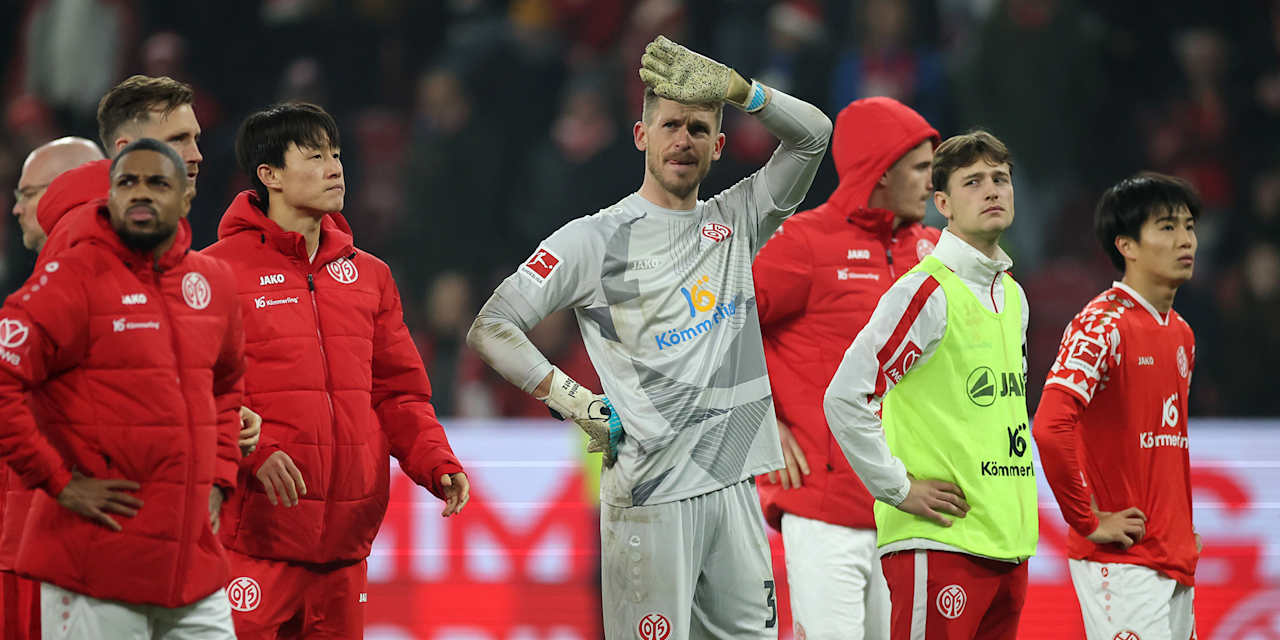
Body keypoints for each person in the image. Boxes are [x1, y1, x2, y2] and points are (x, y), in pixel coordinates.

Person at [468, 36, 832, 639]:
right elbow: (492, 326)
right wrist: (574, 401)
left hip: (736, 487)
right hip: (651, 497)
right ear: (642, 136)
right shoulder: (592, 240)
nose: (683, 140)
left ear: (718, 146)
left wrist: (740, 90)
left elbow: (814, 135)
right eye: (670, 126)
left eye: (698, 128)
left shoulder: (736, 220)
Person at [203, 102, 468, 638]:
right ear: (269, 175)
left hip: (346, 549)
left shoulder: (371, 276)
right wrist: (252, 450)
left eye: (337, 155)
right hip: (255, 539)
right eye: (316, 156)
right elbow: (196, 390)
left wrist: (434, 460)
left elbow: (399, 393)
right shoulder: (216, 272)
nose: (335, 169)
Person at [0, 138, 244, 638]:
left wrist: (220, 478)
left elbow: (226, 386)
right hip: (94, 566)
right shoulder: (72, 277)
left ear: (186, 197)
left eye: (157, 183)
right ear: (109, 195)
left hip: (194, 570)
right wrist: (58, 482)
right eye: (127, 182)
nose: (141, 193)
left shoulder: (213, 282)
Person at [824, 130, 1035, 640]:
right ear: (942, 204)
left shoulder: (1013, 295)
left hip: (1008, 543)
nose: (992, 190)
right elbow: (845, 397)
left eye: (1000, 179)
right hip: (940, 543)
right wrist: (897, 489)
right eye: (973, 182)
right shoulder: (926, 291)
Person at [752, 96, 940, 640]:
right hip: (824, 509)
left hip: (910, 510)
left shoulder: (935, 252)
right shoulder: (804, 243)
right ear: (880, 172)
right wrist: (760, 422)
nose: (932, 183)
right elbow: (720, 329)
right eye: (920, 168)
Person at [1033, 172, 1202, 640]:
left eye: (1189, 226)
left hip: (1174, 559)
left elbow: (1162, 444)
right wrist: (1086, 520)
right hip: (1124, 563)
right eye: (1167, 227)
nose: (1186, 240)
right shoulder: (1100, 324)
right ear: (1126, 245)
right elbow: (1050, 426)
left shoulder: (1182, 333)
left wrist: (1178, 526)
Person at [2, 136, 104, 640]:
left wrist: (60, 484)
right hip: (32, 533)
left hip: (55, 540)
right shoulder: (44, 290)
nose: (15, 208)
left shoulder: (67, 286)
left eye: (26, 193)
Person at [11, 137, 104, 252]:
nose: (17, 210)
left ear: (71, 190)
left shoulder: (90, 259)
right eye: (19, 197)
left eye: (29, 194)